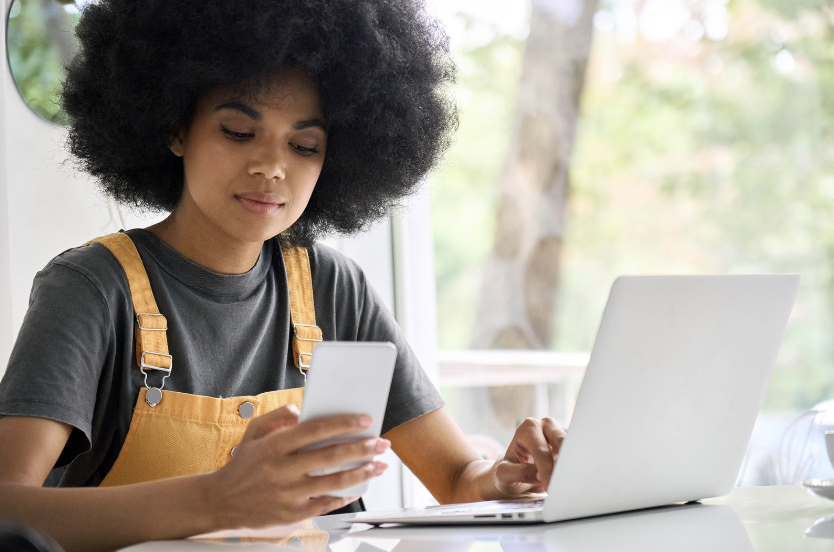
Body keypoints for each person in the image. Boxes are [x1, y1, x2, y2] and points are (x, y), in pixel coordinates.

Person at [0, 1, 566, 551]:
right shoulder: (91, 288)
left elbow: (458, 479)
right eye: (238, 132)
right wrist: (218, 499)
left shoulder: (332, 289)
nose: (271, 166)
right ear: (176, 129)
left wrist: (507, 478)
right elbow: (6, 507)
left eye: (303, 145)